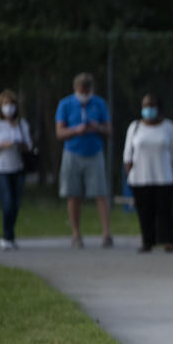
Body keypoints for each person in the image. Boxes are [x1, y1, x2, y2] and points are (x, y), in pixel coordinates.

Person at [55, 73, 112, 248]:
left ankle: (106, 234)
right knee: (73, 195)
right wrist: (75, 131)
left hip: (94, 153)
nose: (85, 94)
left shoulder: (99, 103)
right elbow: (60, 133)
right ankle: (76, 234)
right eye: (82, 90)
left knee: (101, 194)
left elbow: (109, 129)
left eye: (87, 91)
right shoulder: (65, 104)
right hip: (72, 153)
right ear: (75, 89)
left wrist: (98, 127)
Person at [123, 94, 173, 253]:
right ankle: (147, 241)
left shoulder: (168, 127)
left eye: (152, 105)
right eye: (145, 105)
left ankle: (167, 240)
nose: (148, 109)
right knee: (144, 211)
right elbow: (128, 155)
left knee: (165, 211)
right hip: (140, 177)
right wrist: (129, 176)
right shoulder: (135, 127)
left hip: (164, 176)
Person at [0, 90, 32, 250]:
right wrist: (4, 144)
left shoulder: (21, 124)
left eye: (11, 104)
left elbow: (29, 145)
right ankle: (6, 236)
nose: (9, 108)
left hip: (17, 167)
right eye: (5, 104)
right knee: (8, 201)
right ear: (0, 106)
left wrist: (19, 144)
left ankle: (10, 235)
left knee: (16, 204)